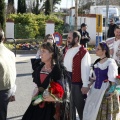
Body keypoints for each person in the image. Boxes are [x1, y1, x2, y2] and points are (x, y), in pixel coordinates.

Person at [22, 42, 64, 120]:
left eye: (44, 51)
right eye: (41, 51)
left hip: (51, 108)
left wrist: (49, 97)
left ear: (51, 54)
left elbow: (60, 94)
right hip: (37, 102)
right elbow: (37, 86)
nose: (41, 53)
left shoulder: (57, 70)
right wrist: (36, 95)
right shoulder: (39, 67)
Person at [83, 42, 119, 120]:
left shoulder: (110, 62)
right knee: (92, 112)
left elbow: (113, 79)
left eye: (98, 49)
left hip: (105, 90)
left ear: (104, 51)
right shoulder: (97, 63)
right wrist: (88, 86)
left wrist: (111, 91)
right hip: (95, 90)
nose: (96, 50)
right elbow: (94, 78)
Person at [63, 31, 91, 120]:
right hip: (66, 82)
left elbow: (85, 69)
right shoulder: (67, 49)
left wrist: (85, 85)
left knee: (81, 108)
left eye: (69, 38)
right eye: (67, 38)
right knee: (69, 108)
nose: (68, 40)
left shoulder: (83, 52)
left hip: (77, 83)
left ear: (76, 39)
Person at [0, 29, 16, 120]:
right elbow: (14, 72)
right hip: (8, 89)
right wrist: (13, 90)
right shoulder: (10, 53)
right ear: (3, 38)